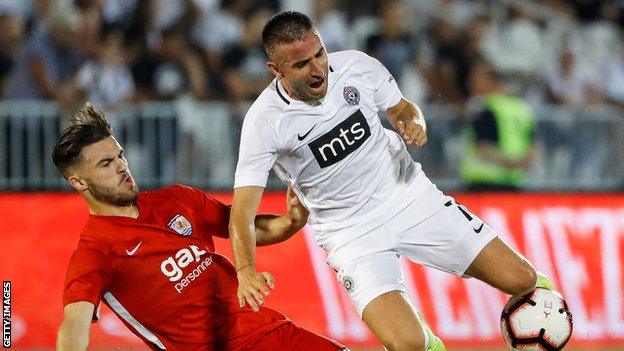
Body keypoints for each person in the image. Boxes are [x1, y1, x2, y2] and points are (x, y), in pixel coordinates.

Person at [229, 11, 552, 351]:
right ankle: (425, 340)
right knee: (407, 345)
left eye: (319, 54)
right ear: (275, 70)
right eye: (301, 65)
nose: (318, 68)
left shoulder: (357, 67)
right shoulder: (263, 123)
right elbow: (242, 214)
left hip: (409, 196)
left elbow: (402, 108)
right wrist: (246, 269)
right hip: (350, 233)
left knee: (524, 281)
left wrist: (414, 122)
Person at [53, 103, 346, 351]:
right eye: (105, 164)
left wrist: (290, 222)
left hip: (268, 331)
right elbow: (74, 325)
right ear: (78, 182)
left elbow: (242, 228)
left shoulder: (177, 198)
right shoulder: (95, 251)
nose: (121, 167)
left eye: (120, 156)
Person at [460, 59, 536, 191]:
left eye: (477, 79)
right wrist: (518, 164)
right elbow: (534, 148)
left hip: (483, 184)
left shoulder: (486, 109)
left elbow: (482, 149)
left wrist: (508, 163)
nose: (471, 83)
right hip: (513, 183)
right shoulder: (522, 109)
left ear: (490, 81)